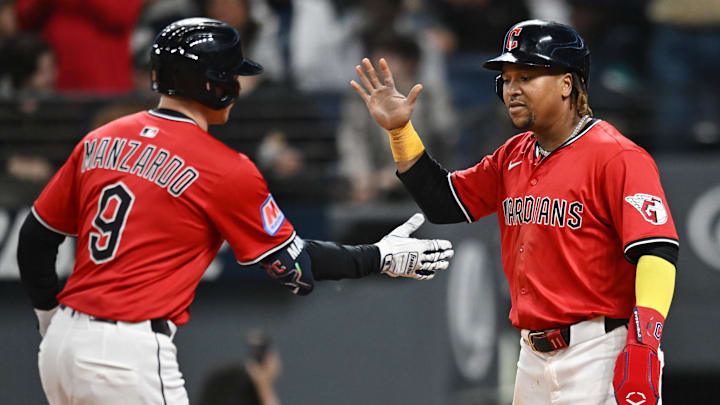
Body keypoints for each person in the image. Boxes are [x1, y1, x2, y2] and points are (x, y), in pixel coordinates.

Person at [16, 18, 454, 405]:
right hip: (127, 354)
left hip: (62, 347)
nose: (238, 87)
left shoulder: (100, 139)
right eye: (232, 76)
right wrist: (379, 257)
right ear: (214, 84)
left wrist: (50, 319)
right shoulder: (223, 167)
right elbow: (294, 267)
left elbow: (35, 239)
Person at [352, 19, 678, 405]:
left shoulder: (617, 156)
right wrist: (400, 132)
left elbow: (656, 251)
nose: (512, 90)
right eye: (506, 79)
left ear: (567, 84)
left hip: (601, 350)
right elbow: (444, 202)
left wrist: (643, 343)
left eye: (526, 76)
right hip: (533, 358)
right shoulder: (513, 154)